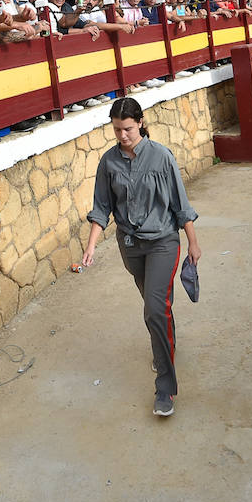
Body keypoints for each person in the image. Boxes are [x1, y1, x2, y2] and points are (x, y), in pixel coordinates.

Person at [84, 96, 200, 418]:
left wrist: (193, 242)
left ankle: (165, 386)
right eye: (117, 130)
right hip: (131, 247)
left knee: (153, 308)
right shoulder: (108, 163)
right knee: (158, 306)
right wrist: (91, 245)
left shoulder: (162, 157)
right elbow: (101, 208)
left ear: (141, 124)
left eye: (128, 129)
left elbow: (180, 203)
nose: (122, 136)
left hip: (163, 242)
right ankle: (167, 344)